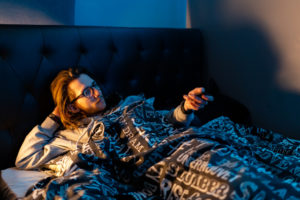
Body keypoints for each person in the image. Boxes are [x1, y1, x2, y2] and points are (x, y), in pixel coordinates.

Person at [15, 68, 214, 171]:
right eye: (86, 92)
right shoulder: (70, 136)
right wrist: (54, 118)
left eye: (94, 85)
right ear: (73, 106)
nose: (96, 91)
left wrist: (187, 108)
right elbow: (25, 160)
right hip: (152, 165)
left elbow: (167, 121)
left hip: (178, 147)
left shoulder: (127, 105)